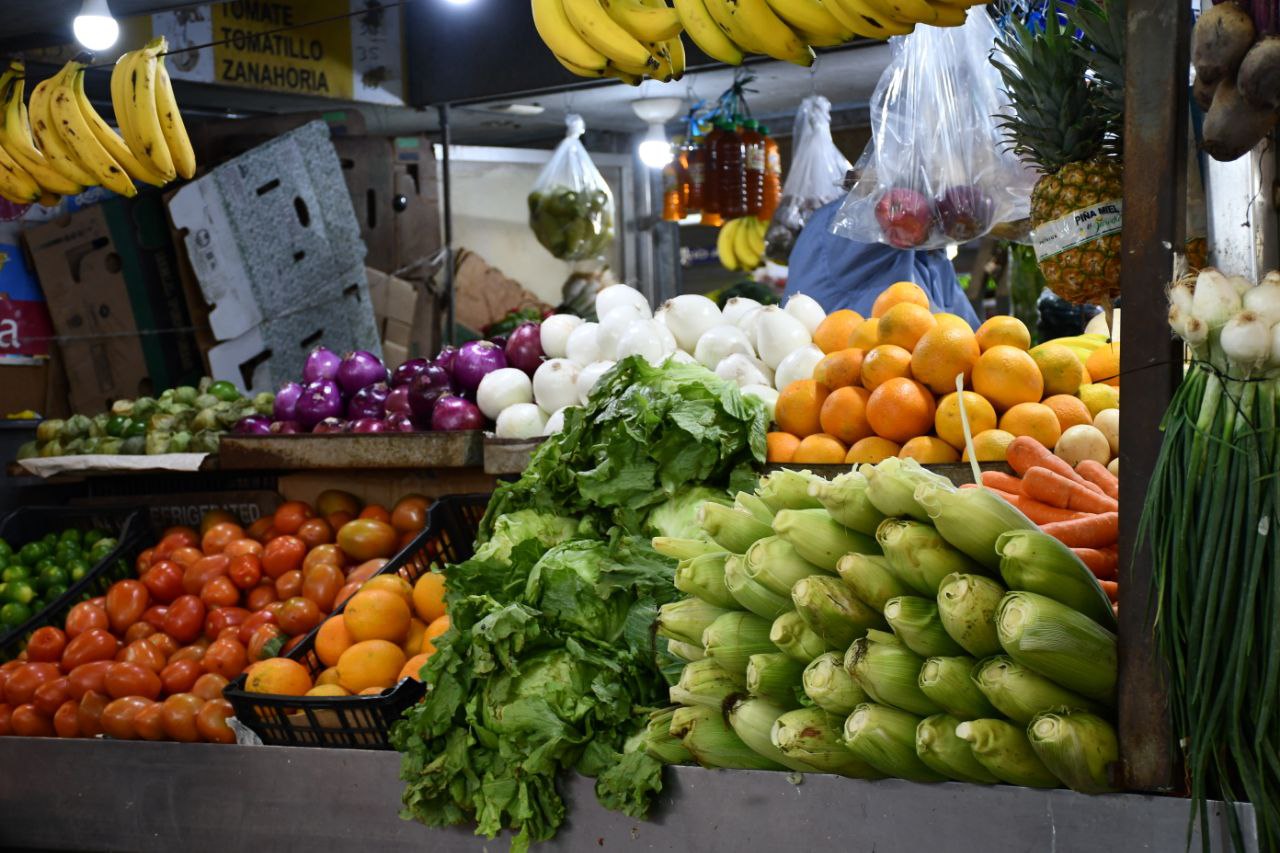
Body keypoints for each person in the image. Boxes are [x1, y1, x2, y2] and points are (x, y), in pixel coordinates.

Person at [781, 197, 981, 328]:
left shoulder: (929, 247)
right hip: (838, 369)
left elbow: (964, 328)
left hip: (898, 370)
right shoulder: (847, 222)